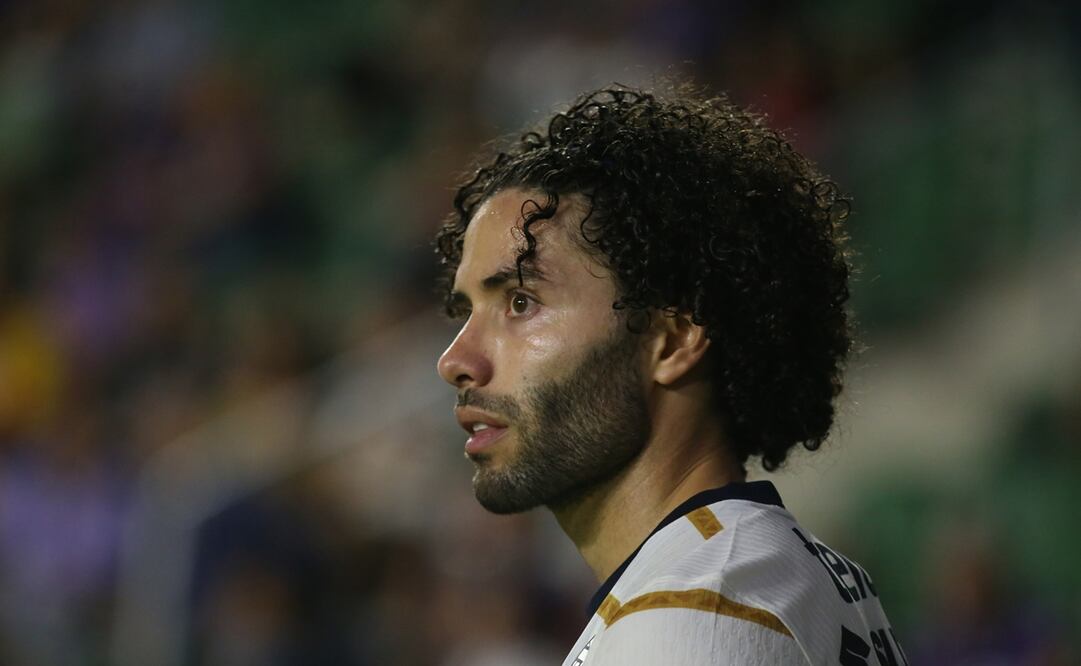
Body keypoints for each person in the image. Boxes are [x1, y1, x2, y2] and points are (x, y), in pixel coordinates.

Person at [434, 83, 904, 665]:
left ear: (674, 340)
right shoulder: (754, 578)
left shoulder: (690, 618)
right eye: (466, 312)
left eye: (521, 302)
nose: (456, 359)